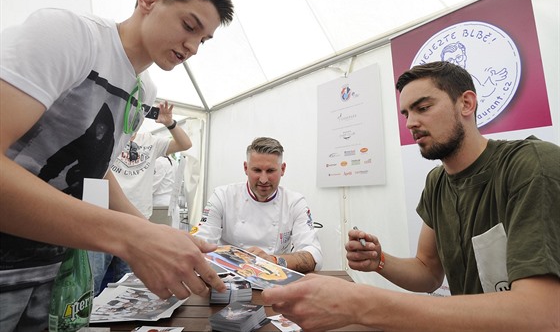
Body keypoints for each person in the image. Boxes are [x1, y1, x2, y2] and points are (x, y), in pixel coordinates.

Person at [0, 0, 233, 331]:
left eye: (202, 40)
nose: (192, 47)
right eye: (189, 26)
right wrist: (130, 236)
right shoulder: (70, 35)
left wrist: (152, 232)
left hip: (51, 266)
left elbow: (96, 172)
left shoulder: (144, 92)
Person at [261, 61, 560, 331]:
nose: (410, 123)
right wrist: (379, 261)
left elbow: (542, 313)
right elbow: (428, 272)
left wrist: (360, 302)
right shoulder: (437, 182)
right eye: (406, 113)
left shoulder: (530, 164)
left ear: (466, 103)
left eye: (423, 108)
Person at [89, 100, 192, 295]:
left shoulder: (150, 141)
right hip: (103, 220)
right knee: (92, 281)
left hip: (137, 222)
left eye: (139, 110)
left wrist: (170, 123)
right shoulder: (106, 136)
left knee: (130, 285)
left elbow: (185, 144)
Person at [192, 137, 323, 273]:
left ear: (282, 169)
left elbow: (314, 255)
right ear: (246, 168)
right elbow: (201, 242)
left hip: (276, 276)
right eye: (257, 170)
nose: (263, 179)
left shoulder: (295, 202)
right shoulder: (223, 196)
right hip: (230, 276)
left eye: (271, 171)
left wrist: (272, 260)